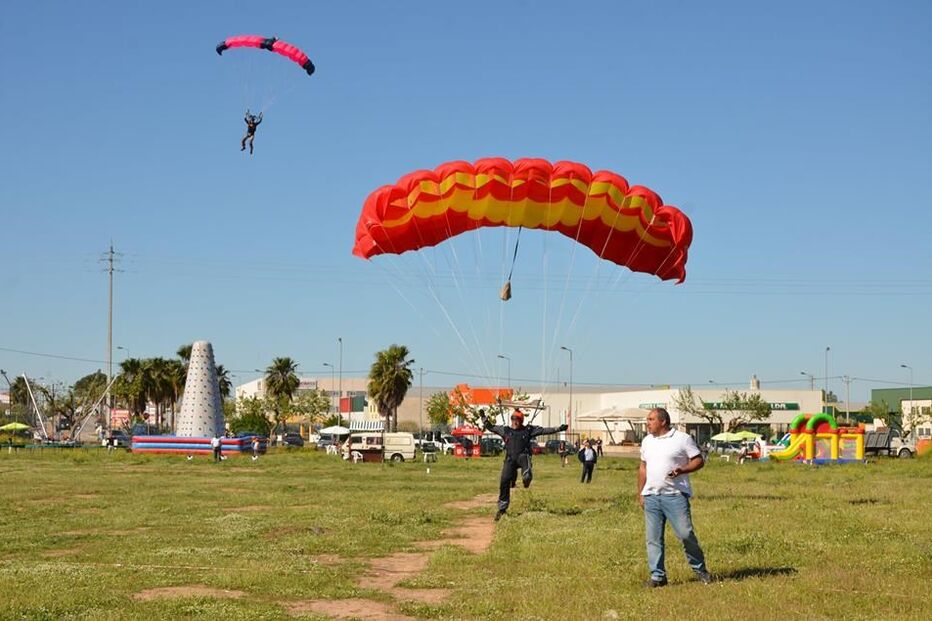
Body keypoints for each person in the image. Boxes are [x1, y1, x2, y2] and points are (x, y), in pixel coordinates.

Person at [638, 408, 712, 587]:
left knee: (686, 534)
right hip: (652, 496)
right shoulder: (647, 441)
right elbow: (643, 467)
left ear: (663, 421)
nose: (647, 423)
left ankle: (700, 570)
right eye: (648, 419)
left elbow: (698, 460)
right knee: (653, 539)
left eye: (651, 419)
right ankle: (658, 577)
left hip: (675, 496)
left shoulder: (682, 439)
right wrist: (641, 493)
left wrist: (682, 469)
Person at [481, 409, 567, 521]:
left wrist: (558, 429)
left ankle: (526, 481)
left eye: (518, 420)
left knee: (527, 475)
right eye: (513, 419)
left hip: (523, 457)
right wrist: (483, 417)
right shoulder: (505, 430)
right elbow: (491, 427)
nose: (515, 422)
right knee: (504, 480)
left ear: (521, 421)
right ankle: (502, 509)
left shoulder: (528, 430)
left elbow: (544, 431)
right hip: (510, 459)